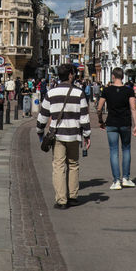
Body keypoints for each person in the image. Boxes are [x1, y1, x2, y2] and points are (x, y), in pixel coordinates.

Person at [36, 64, 92, 209]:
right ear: (70, 75)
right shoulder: (79, 93)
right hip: (74, 135)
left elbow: (43, 115)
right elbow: (84, 117)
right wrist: (87, 134)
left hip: (58, 135)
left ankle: (61, 200)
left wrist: (40, 130)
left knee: (59, 166)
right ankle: (73, 196)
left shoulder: (51, 93)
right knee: (73, 164)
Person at [97, 68, 136, 191]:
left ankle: (116, 181)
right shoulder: (128, 91)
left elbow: (99, 108)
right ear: (122, 77)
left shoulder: (107, 90)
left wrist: (100, 120)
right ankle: (126, 178)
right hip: (125, 123)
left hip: (112, 123)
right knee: (126, 149)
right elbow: (133, 108)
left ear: (113, 76)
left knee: (114, 151)